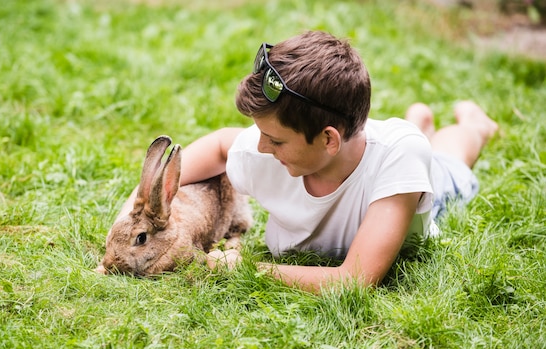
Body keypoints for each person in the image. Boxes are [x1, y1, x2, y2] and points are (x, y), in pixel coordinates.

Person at [112, 30, 498, 294]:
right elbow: (218, 146)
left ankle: (473, 125)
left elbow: (356, 278)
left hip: (420, 183)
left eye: (276, 139)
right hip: (384, 157)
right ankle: (420, 120)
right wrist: (137, 208)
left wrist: (246, 269)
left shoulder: (398, 158)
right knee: (419, 148)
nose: (261, 147)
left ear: (328, 139)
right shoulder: (267, 153)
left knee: (449, 160)